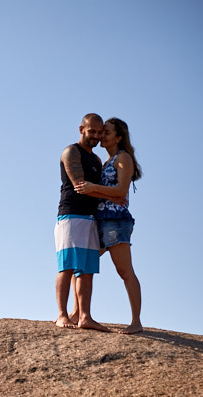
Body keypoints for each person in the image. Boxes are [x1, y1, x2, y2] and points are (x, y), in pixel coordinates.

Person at [74, 117, 143, 334]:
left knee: (124, 270)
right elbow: (103, 193)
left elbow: (121, 191)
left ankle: (136, 322)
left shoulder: (124, 158)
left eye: (107, 132)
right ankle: (78, 313)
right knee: (83, 266)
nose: (101, 136)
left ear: (119, 137)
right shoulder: (107, 161)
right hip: (100, 220)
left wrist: (93, 187)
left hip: (116, 220)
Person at [55, 114, 109, 331]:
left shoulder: (96, 160)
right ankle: (61, 315)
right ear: (82, 129)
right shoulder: (71, 152)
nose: (96, 136)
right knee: (66, 267)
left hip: (90, 218)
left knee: (86, 270)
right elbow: (79, 185)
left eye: (99, 133)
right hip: (70, 215)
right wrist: (113, 195)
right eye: (92, 131)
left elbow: (93, 189)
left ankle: (85, 316)